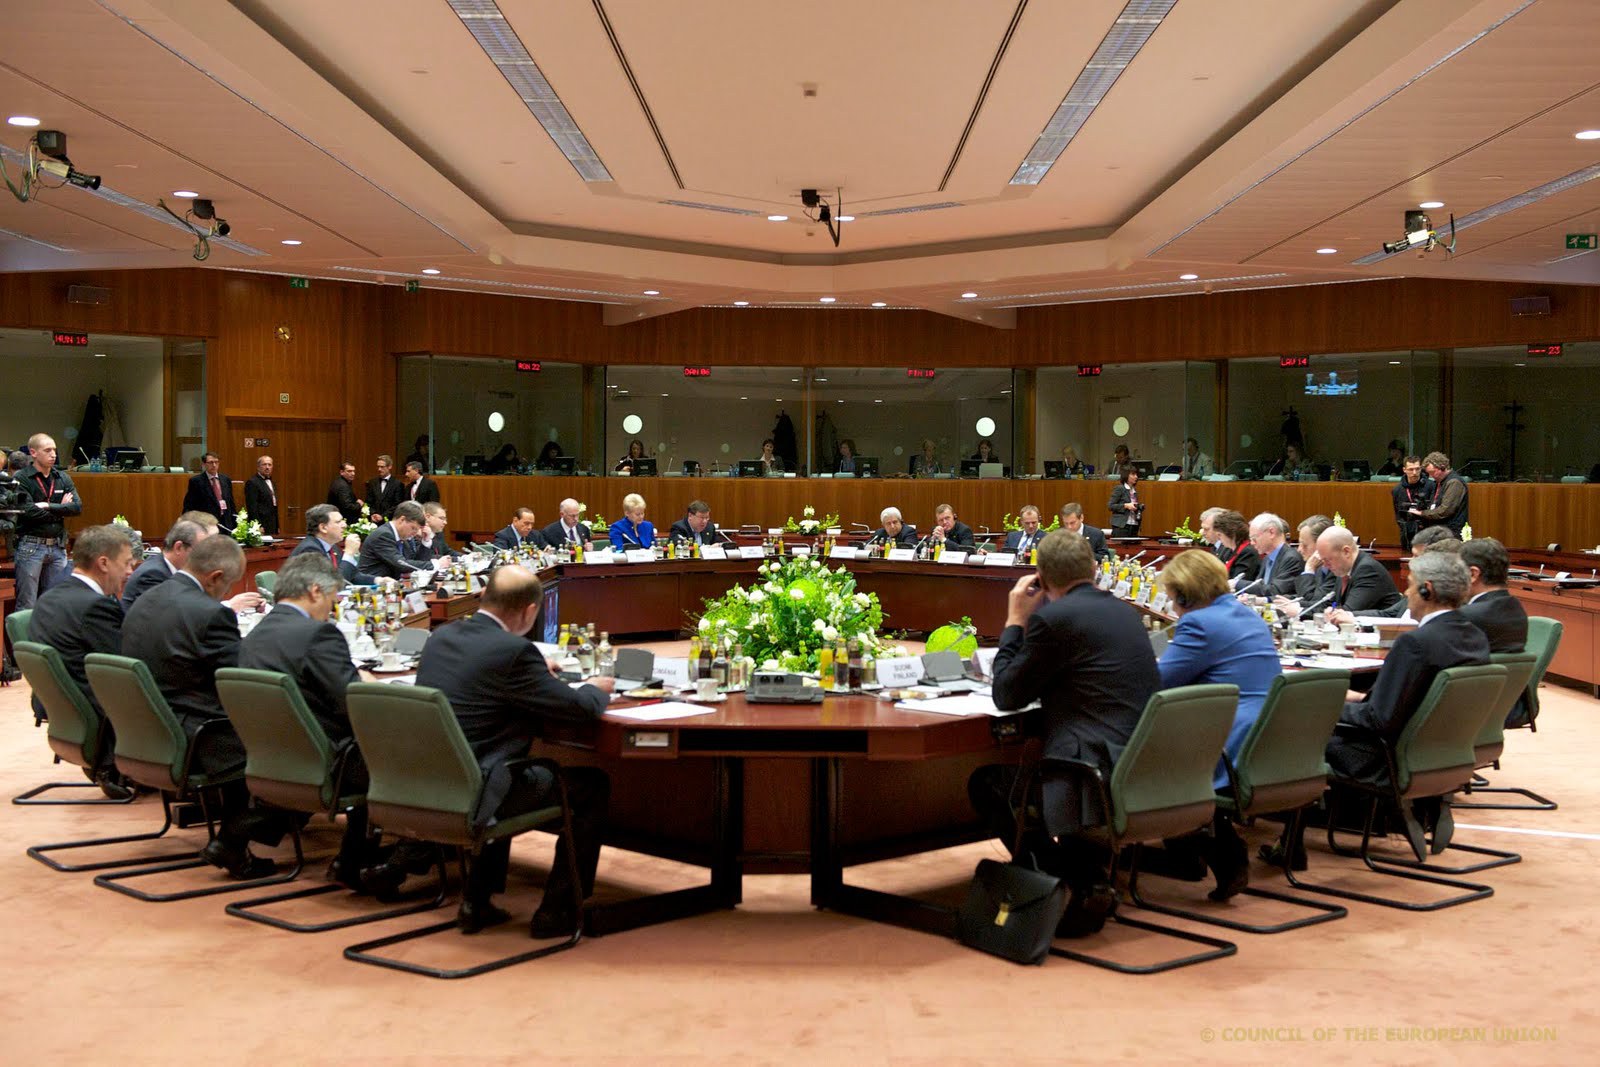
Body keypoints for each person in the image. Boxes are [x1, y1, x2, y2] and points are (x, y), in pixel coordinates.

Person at [967, 530, 1159, 936]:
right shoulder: (1125, 612)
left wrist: (1015, 621)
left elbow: (1006, 694)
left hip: (1091, 774)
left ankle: (1078, 883)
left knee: (990, 784)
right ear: (1093, 568)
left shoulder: (1053, 620)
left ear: (1040, 577)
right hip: (1140, 766)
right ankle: (1084, 874)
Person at [414, 565, 613, 935]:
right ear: (529, 610)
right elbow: (581, 709)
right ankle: (558, 912)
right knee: (590, 786)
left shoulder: (442, 636)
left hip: (429, 782)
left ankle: (477, 900)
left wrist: (537, 675)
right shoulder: (515, 652)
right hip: (480, 790)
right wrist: (597, 687)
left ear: (484, 597)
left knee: (507, 762)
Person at [123, 535, 296, 878]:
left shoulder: (147, 597)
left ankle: (234, 835)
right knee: (302, 746)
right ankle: (234, 837)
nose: (226, 591)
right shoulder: (210, 613)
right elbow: (240, 682)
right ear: (215, 577)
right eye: (228, 584)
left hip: (147, 726)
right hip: (197, 733)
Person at [1310, 553, 1489, 860]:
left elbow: (1378, 720)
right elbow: (1416, 700)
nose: (1406, 593)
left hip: (1386, 757)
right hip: (1441, 751)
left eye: (1410, 585)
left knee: (1296, 740)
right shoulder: (1474, 636)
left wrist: (1323, 709)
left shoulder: (1415, 643)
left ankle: (1288, 846)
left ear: (1427, 590)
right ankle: (1429, 804)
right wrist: (1358, 698)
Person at [239, 553, 388, 892]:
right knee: (391, 748)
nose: (332, 609)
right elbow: (354, 702)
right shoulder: (318, 634)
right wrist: (366, 682)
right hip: (325, 762)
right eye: (332, 599)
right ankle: (356, 860)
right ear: (316, 591)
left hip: (271, 757)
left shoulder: (256, 633)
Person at [1150, 550, 1281, 900]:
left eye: (1173, 598)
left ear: (1184, 596)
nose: (1173, 606)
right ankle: (1193, 849)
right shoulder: (1247, 614)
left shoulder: (1199, 623)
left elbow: (1158, 683)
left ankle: (1210, 850)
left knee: (1146, 754)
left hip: (1228, 741)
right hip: (1267, 736)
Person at [29, 524, 140, 795]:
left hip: (61, 703)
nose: (130, 571)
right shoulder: (95, 606)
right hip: (95, 708)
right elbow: (126, 665)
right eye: (126, 563)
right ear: (103, 563)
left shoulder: (50, 596)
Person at [123, 512, 266, 613]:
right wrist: (228, 607)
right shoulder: (152, 574)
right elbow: (175, 620)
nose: (213, 554)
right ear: (179, 547)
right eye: (205, 548)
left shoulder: (190, 575)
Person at [1459, 537, 1531, 726]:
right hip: (1509, 702)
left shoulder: (1468, 616)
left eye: (1456, 572)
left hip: (1475, 707)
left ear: (1473, 574)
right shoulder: (1514, 606)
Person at [12, 432, 81, 610]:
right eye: (48, 450)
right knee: (27, 604)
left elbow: (76, 507)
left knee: (55, 604)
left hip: (58, 546)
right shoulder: (21, 478)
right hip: (31, 546)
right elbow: (27, 512)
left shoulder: (62, 477)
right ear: (33, 453)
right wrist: (61, 509)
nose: (53, 455)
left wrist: (48, 506)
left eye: (55, 450)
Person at [1317, 525, 1403, 615]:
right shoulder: (1343, 568)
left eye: (1328, 559)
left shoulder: (1368, 570)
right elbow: (1327, 605)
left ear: (1346, 552)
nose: (1325, 565)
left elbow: (1346, 613)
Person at [290, 503, 375, 585]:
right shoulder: (309, 550)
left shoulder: (332, 547)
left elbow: (351, 576)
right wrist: (349, 553)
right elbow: (333, 584)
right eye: (338, 522)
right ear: (323, 528)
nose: (344, 525)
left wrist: (377, 580)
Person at [356, 500, 428, 578]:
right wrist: (434, 565)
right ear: (402, 520)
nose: (415, 533)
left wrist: (426, 541)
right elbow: (401, 564)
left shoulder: (403, 538)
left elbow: (412, 562)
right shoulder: (383, 535)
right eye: (413, 528)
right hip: (371, 583)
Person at [1412, 451, 1469, 537]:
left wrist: (1422, 513)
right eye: (1429, 473)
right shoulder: (1438, 482)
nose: (1431, 476)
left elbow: (1445, 510)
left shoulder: (1454, 482)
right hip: (1441, 530)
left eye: (1432, 472)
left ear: (1442, 467)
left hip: (1451, 532)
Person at [1247, 512, 1304, 597]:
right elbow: (1260, 588)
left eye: (1254, 538)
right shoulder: (1267, 558)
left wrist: (1238, 583)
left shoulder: (1291, 558)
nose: (1252, 543)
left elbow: (1275, 591)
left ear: (1271, 532)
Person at [182, 452, 237, 530]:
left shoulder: (226, 479)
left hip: (226, 522)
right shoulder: (196, 481)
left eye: (216, 462)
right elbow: (189, 504)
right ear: (204, 464)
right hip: (207, 523)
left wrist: (234, 522)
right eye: (211, 462)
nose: (214, 465)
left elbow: (231, 503)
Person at [1391, 454, 1433, 551]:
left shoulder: (1430, 486)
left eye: (1417, 469)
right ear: (1404, 470)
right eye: (1411, 469)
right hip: (1407, 534)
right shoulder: (1397, 490)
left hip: (1427, 533)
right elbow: (1398, 515)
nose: (1414, 473)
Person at [1213, 510, 1260, 584]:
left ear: (1231, 533)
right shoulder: (1227, 550)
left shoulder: (1248, 552)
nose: (1218, 539)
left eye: (1219, 535)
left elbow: (1239, 581)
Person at [242, 455, 280, 537]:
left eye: (269, 465)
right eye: (264, 464)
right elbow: (252, 507)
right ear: (258, 467)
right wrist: (258, 525)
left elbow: (274, 505)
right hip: (261, 524)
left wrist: (277, 525)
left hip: (272, 524)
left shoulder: (272, 482)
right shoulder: (252, 482)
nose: (267, 467)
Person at [1107, 464, 1143, 535]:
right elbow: (1110, 506)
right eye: (1133, 474)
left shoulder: (1134, 491)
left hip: (1134, 525)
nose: (1136, 477)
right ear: (1126, 476)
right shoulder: (1120, 488)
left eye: (1136, 474)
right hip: (1121, 526)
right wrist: (1126, 506)